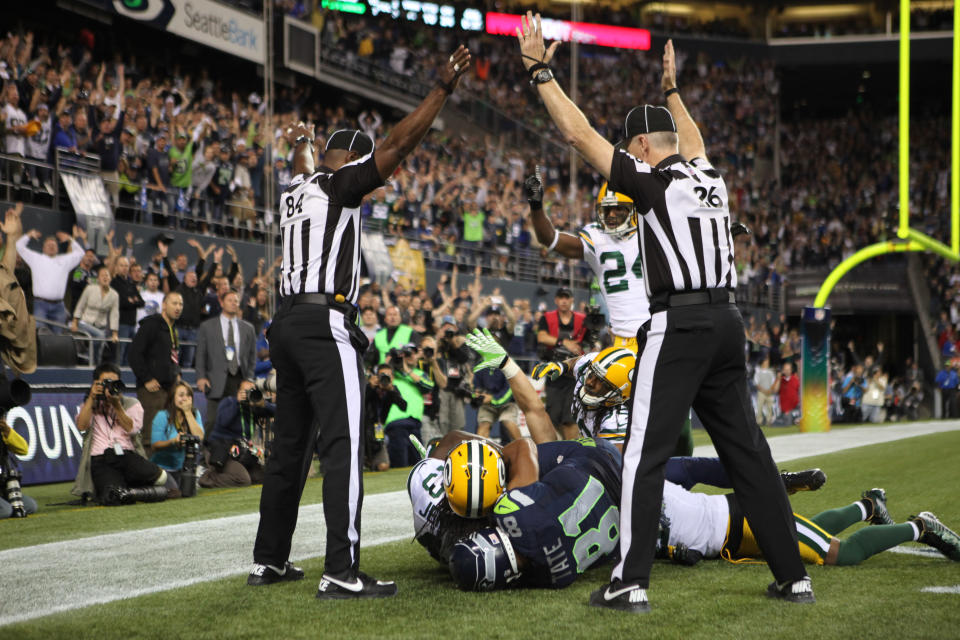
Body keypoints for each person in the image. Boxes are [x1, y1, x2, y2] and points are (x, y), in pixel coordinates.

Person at [516, 22, 810, 610]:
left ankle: (629, 580)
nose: (627, 157)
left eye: (631, 149)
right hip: (728, 323)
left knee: (643, 457)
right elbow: (693, 139)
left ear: (643, 149)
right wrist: (672, 90)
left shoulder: (650, 182)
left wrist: (538, 72)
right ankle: (793, 575)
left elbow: (577, 134)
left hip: (679, 326)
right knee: (749, 453)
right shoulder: (709, 176)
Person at [250, 44, 472, 598]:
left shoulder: (297, 190)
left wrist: (301, 143)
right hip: (326, 324)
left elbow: (305, 164)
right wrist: (440, 89)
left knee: (288, 450)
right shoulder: (343, 184)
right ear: (352, 162)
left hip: (285, 326)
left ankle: (269, 560)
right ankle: (341, 569)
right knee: (344, 446)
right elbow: (398, 144)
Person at [75, 363, 175, 505]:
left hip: (127, 456)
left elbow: (132, 429)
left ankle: (150, 484)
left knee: (159, 477)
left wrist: (117, 406)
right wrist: (91, 398)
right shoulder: (89, 406)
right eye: (105, 383)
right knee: (113, 497)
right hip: (100, 459)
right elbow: (81, 426)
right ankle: (132, 491)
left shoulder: (132, 403)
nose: (110, 387)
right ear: (95, 384)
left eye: (113, 383)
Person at [128, 292, 183, 455]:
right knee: (150, 435)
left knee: (164, 432)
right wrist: (146, 378)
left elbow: (173, 355)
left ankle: (163, 471)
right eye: (174, 303)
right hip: (151, 390)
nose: (178, 307)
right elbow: (134, 354)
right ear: (164, 305)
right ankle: (147, 472)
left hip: (168, 388)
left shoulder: (173, 329)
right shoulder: (151, 325)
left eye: (180, 304)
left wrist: (176, 374)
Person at [195, 289, 256, 426]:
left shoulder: (248, 328)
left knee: (238, 421)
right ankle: (211, 447)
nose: (234, 303)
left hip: (240, 380)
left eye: (236, 301)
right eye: (230, 300)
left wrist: (249, 379)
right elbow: (200, 354)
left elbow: (252, 357)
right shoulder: (207, 326)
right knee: (213, 421)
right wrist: (201, 376)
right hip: (214, 379)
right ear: (221, 303)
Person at [536, 287, 585, 439]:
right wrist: (564, 342)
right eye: (561, 298)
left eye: (567, 298)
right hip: (554, 371)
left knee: (570, 418)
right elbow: (541, 337)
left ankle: (571, 448)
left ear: (571, 300)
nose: (564, 301)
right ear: (556, 300)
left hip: (575, 372)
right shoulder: (547, 317)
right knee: (553, 416)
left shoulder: (582, 319)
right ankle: (559, 447)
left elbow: (591, 342)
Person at [15, 226, 84, 331]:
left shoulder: (65, 260)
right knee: (39, 334)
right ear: (43, 248)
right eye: (48, 245)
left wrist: (70, 239)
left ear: (57, 248)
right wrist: (29, 235)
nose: (51, 247)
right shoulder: (35, 258)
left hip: (59, 306)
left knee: (58, 337)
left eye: (54, 245)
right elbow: (18, 246)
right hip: (40, 305)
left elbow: (81, 253)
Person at [201, 387, 270, 488]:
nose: (248, 394)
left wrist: (263, 403)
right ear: (238, 391)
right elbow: (224, 421)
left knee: (262, 477)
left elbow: (277, 411)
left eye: (251, 390)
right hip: (222, 452)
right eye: (245, 391)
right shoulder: (228, 402)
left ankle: (231, 473)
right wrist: (237, 403)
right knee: (243, 480)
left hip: (240, 452)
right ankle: (206, 477)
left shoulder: (253, 407)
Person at [150, 380, 204, 483]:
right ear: (172, 397)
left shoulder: (194, 414)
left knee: (187, 493)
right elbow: (155, 445)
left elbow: (200, 437)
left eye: (188, 395)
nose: (185, 398)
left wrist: (187, 412)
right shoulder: (162, 415)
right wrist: (173, 441)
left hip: (183, 468)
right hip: (162, 468)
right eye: (181, 395)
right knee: (175, 492)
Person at [71, 264, 119, 365]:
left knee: (101, 341)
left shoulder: (114, 295)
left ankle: (92, 363)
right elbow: (80, 305)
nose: (105, 277)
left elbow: (114, 314)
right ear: (98, 279)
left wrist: (115, 333)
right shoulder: (90, 289)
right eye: (103, 275)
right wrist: (75, 322)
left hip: (100, 325)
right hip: (85, 322)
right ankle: (90, 360)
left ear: (110, 278)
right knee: (101, 336)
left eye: (107, 275)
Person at [363, 364, 404, 472]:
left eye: (388, 375)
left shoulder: (392, 390)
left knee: (384, 465)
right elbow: (360, 403)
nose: (385, 378)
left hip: (378, 428)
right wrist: (370, 387)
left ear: (392, 378)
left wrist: (391, 390)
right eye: (382, 375)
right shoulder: (368, 387)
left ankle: (370, 462)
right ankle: (365, 460)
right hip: (362, 428)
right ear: (376, 376)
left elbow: (403, 406)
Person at [0, 417, 38, 518]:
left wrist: (7, 430)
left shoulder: (3, 433)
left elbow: (23, 449)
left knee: (30, 506)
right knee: (6, 510)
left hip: (2, 488)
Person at [110, 256, 143, 365]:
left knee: (129, 355)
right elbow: (122, 303)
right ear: (116, 267)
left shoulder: (130, 284)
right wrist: (133, 301)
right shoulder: (114, 283)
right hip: (121, 324)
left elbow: (141, 302)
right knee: (119, 355)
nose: (124, 268)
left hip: (132, 324)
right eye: (121, 265)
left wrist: (131, 301)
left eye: (126, 266)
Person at [416, 334, 447, 444]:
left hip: (433, 410)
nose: (429, 352)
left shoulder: (439, 362)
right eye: (426, 349)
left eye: (432, 350)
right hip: (418, 408)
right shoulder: (415, 361)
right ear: (420, 349)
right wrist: (417, 357)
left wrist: (433, 363)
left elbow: (443, 384)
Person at [773, 361, 801, 426]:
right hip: (784, 409)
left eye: (788, 369)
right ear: (783, 370)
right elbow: (775, 390)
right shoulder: (780, 380)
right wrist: (779, 379)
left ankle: (794, 419)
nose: (787, 371)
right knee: (787, 423)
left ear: (791, 370)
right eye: (785, 369)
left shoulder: (795, 379)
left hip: (795, 408)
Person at [754, 354, 777, 426]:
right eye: (766, 361)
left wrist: (770, 390)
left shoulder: (771, 372)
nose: (767, 362)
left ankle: (768, 421)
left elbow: (773, 382)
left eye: (768, 361)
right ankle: (759, 421)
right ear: (763, 362)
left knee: (769, 407)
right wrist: (764, 390)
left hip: (769, 392)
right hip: (761, 392)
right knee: (760, 407)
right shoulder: (758, 372)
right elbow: (756, 383)